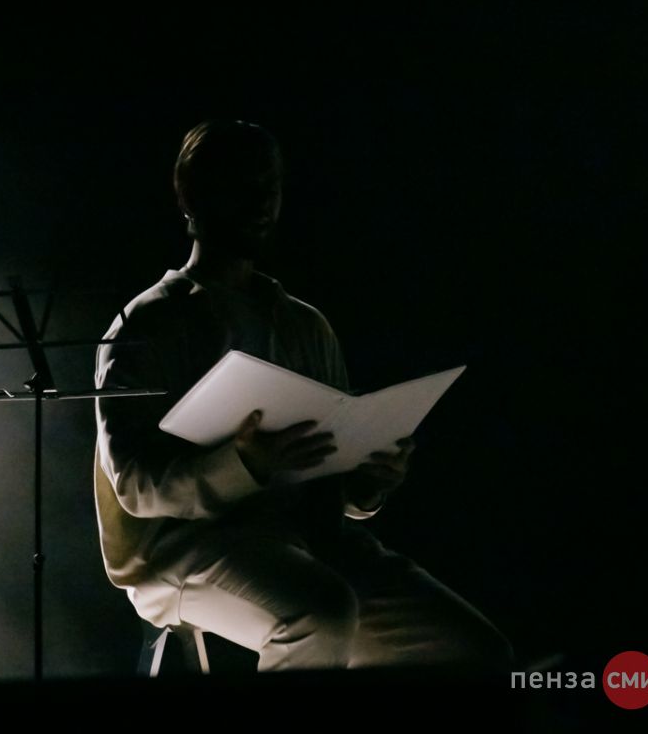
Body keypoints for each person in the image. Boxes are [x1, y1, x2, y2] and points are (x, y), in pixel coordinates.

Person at [92, 119, 514, 671]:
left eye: (270, 184)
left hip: (306, 537)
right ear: (191, 196)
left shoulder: (303, 325)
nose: (263, 200)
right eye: (242, 184)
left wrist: (369, 477)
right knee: (320, 611)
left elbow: (336, 485)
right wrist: (244, 463)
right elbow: (134, 484)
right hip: (181, 547)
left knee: (476, 653)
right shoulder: (149, 323)